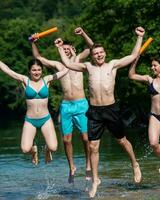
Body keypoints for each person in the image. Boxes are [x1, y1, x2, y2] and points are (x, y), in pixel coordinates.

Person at [55, 26, 145, 198]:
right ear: (92, 55)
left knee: (122, 141)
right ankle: (95, 179)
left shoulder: (113, 65)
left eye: (101, 52)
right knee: (93, 146)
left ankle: (134, 163)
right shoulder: (88, 67)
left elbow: (133, 56)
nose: (98, 55)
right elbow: (67, 63)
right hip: (95, 112)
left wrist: (139, 37)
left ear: (105, 53)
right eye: (95, 53)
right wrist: (60, 48)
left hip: (111, 110)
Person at [0, 45, 68, 165]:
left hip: (45, 119)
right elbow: (7, 70)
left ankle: (46, 150)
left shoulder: (47, 79)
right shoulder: (25, 80)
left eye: (39, 70)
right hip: (30, 120)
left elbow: (66, 70)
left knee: (54, 147)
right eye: (34, 70)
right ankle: (34, 150)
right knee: (25, 149)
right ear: (29, 71)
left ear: (42, 70)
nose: (37, 72)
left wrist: (66, 52)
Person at [31, 27, 94, 183]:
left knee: (86, 138)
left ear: (73, 49)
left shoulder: (79, 60)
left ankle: (88, 165)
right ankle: (72, 167)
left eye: (67, 48)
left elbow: (92, 47)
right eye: (62, 48)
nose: (65, 50)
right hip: (66, 106)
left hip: (81, 105)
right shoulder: (59, 66)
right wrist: (33, 42)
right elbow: (38, 57)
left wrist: (83, 33)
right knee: (66, 140)